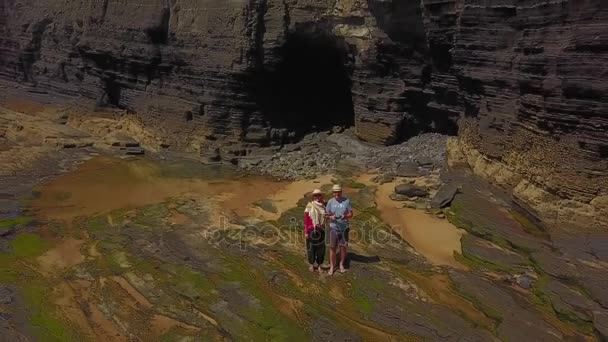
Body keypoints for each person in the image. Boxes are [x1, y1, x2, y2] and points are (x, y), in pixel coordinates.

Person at [325, 184, 353, 275]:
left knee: (343, 247)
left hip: (344, 228)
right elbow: (326, 214)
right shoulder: (330, 202)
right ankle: (332, 266)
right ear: (333, 193)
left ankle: (341, 264)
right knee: (332, 248)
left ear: (341, 192)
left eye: (338, 192)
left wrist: (345, 216)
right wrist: (331, 217)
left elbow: (351, 214)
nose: (336, 193)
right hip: (333, 227)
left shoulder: (346, 201)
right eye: (335, 192)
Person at [304, 189, 327, 272]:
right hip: (311, 230)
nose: (317, 197)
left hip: (321, 230)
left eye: (319, 195)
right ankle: (311, 264)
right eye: (315, 195)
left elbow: (327, 215)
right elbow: (306, 219)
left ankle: (320, 264)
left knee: (321, 249)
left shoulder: (323, 206)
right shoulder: (310, 205)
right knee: (311, 248)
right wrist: (306, 232)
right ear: (313, 197)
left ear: (321, 196)